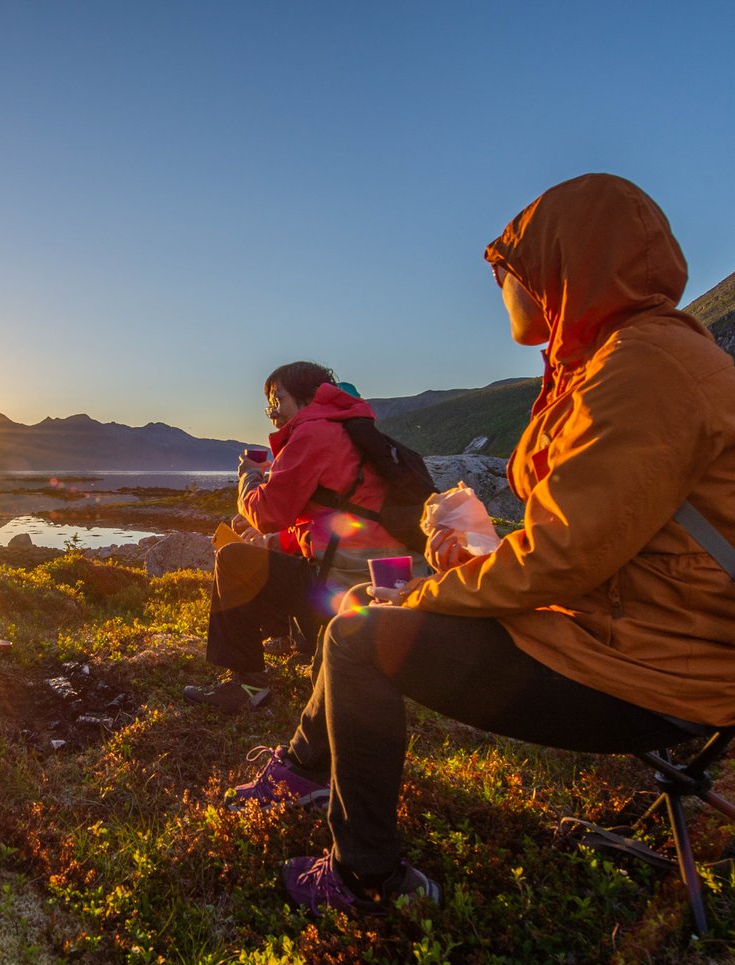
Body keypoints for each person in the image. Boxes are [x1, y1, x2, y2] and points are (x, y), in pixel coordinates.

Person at [230, 173, 735, 916]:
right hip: (636, 635)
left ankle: (366, 878)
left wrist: (430, 593)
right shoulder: (628, 359)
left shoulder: (644, 369)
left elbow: (561, 555)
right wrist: (469, 559)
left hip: (656, 672)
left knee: (360, 636)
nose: (502, 284)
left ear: (562, 265)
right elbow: (605, 540)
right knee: (368, 608)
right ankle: (305, 771)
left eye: (509, 268)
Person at [183, 361, 408, 713]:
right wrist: (271, 538)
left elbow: (267, 512)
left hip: (346, 584)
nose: (272, 411)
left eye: (278, 399)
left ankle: (248, 684)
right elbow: (329, 522)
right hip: (380, 581)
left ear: (308, 397)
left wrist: (250, 478)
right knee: (268, 551)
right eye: (269, 404)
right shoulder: (350, 432)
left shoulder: (314, 433)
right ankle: (296, 640)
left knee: (233, 559)